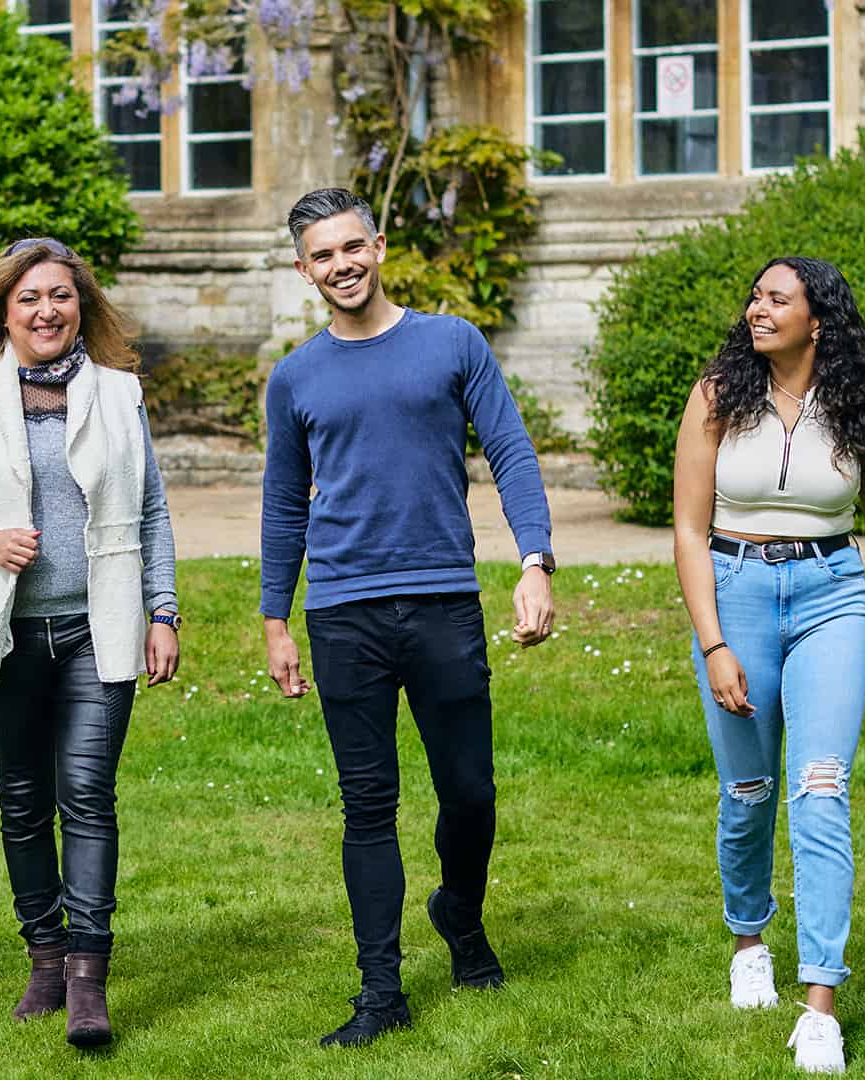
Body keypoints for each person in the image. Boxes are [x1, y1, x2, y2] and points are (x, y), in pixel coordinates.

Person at [258, 188, 557, 1048]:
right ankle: (380, 991)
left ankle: (459, 913)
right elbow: (284, 505)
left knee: (470, 792)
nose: (341, 265)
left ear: (380, 246)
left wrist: (533, 561)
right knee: (367, 805)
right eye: (322, 255)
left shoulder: (451, 344)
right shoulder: (296, 377)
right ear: (303, 268)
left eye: (353, 247)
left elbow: (510, 451)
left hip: (442, 602)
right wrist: (277, 619)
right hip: (344, 612)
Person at [671, 257, 865, 1074]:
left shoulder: (862, 406)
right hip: (733, 593)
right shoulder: (715, 396)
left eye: (777, 299)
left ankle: (820, 1007)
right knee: (748, 791)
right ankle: (748, 940)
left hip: (830, 595)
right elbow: (689, 531)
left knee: (822, 789)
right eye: (756, 297)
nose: (756, 309)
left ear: (819, 319)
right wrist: (714, 643)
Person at [0, 237, 179, 1049]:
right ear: (4, 311)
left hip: (101, 629)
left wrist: (164, 611)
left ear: (81, 307)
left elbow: (154, 512)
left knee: (87, 798)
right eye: (29, 299)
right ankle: (45, 959)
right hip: (8, 632)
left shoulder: (120, 396)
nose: (46, 311)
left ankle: (89, 981)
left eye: (61, 296)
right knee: (23, 804)